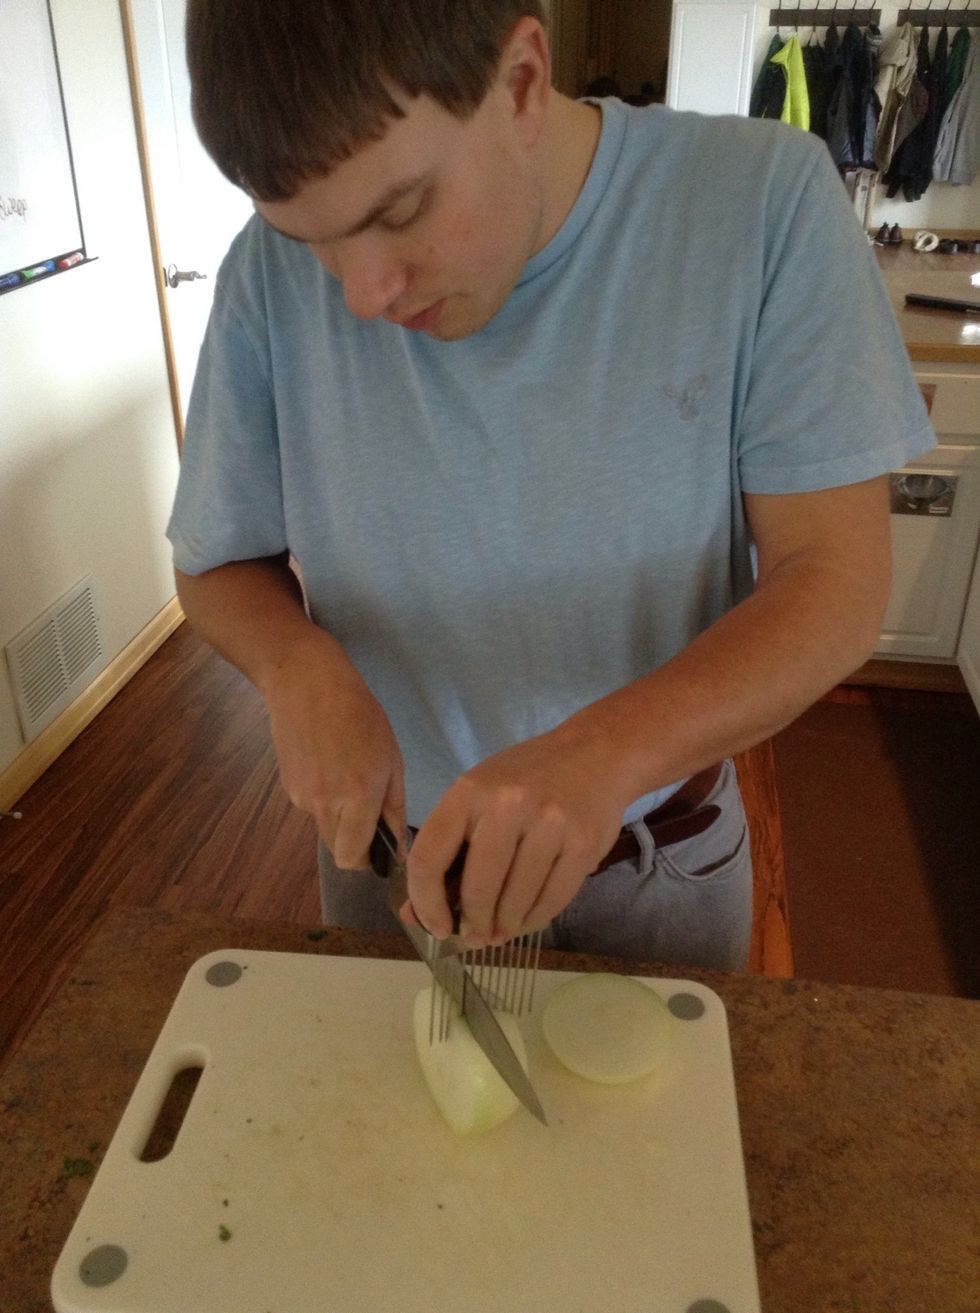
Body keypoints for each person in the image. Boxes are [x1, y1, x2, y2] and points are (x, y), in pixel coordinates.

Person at [167, 1, 935, 970]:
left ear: (522, 80)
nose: (361, 294)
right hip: (395, 870)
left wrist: (603, 753)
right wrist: (293, 663)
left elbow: (834, 581)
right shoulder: (261, 275)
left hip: (659, 861)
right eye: (308, 238)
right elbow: (214, 560)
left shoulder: (759, 201)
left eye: (399, 212)